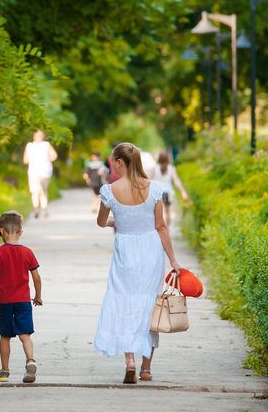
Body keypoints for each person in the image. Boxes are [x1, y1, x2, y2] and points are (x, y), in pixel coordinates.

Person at [94, 142, 183, 384]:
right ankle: (146, 368)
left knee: (125, 302)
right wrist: (173, 260)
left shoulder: (110, 191)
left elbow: (102, 222)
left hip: (126, 250)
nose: (112, 165)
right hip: (151, 251)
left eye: (113, 162)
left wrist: (116, 221)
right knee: (149, 305)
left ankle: (130, 361)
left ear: (120, 163)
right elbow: (161, 227)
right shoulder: (153, 189)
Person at [0, 211, 43, 383]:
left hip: (5, 302)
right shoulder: (27, 252)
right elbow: (36, 277)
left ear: (1, 231)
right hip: (23, 301)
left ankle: (5, 371)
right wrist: (38, 296)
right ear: (21, 232)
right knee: (25, 335)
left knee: (5, 336)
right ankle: (30, 360)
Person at [23, 130, 57, 218]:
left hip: (34, 172)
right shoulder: (46, 145)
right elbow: (54, 156)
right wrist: (47, 159)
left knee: (35, 192)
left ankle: (36, 209)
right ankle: (44, 210)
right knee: (43, 191)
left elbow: (25, 160)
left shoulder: (30, 146)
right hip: (46, 171)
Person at [151, 152, 189, 226]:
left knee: (158, 213)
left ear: (159, 159)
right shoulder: (171, 168)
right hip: (168, 193)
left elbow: (150, 181)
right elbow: (176, 180)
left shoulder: (155, 168)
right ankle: (167, 229)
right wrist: (182, 191)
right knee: (168, 213)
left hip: (158, 193)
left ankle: (159, 229)